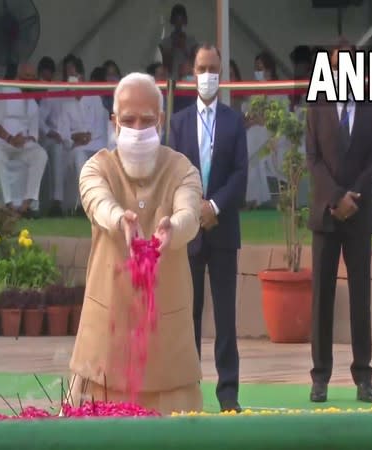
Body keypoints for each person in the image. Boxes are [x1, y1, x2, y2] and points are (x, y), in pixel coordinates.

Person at [69, 72, 203, 415]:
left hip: (167, 357)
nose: (137, 128)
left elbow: (190, 214)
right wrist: (120, 220)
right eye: (128, 120)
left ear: (160, 120)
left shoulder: (182, 170)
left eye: (146, 121)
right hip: (104, 352)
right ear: (114, 124)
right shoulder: (96, 168)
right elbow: (97, 202)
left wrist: (173, 227)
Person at [169, 43, 248, 413]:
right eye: (202, 67)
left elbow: (240, 173)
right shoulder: (179, 122)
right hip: (190, 233)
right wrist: (193, 209)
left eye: (213, 67)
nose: (207, 74)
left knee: (226, 317)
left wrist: (214, 206)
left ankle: (228, 391)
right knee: (190, 314)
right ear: (192, 72)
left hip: (223, 230)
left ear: (221, 72)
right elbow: (173, 175)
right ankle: (189, 388)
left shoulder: (234, 121)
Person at [305, 39, 372, 403]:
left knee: (360, 298)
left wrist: (355, 195)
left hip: (359, 213)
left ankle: (363, 377)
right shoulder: (317, 106)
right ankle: (319, 376)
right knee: (321, 296)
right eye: (336, 67)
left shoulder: (371, 109)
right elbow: (313, 158)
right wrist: (337, 196)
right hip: (326, 213)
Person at [0, 62, 48, 218]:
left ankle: (27, 204)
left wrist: (24, 139)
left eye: (33, 77)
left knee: (41, 154)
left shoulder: (33, 102)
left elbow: (34, 134)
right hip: (3, 143)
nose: (30, 80)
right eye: (27, 76)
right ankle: (8, 206)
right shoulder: (4, 90)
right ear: (18, 75)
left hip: (23, 146)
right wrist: (10, 138)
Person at [57, 56, 108, 205]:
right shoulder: (64, 103)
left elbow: (100, 126)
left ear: (81, 77)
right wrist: (75, 137)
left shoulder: (94, 98)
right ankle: (83, 203)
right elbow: (63, 133)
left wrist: (88, 137)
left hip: (97, 143)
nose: (71, 79)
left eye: (73, 75)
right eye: (68, 76)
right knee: (79, 156)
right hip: (75, 146)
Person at [38, 56, 66, 216]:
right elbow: (40, 119)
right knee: (57, 147)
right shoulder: (53, 92)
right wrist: (50, 132)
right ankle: (57, 202)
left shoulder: (86, 95)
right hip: (52, 138)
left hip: (79, 141)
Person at [159, 4, 198, 80]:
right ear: (172, 22)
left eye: (181, 22)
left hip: (188, 80)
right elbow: (165, 66)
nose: (179, 26)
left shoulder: (192, 42)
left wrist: (184, 48)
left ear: (185, 22)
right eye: (176, 22)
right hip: (170, 80)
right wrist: (173, 47)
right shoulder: (165, 43)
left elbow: (195, 64)